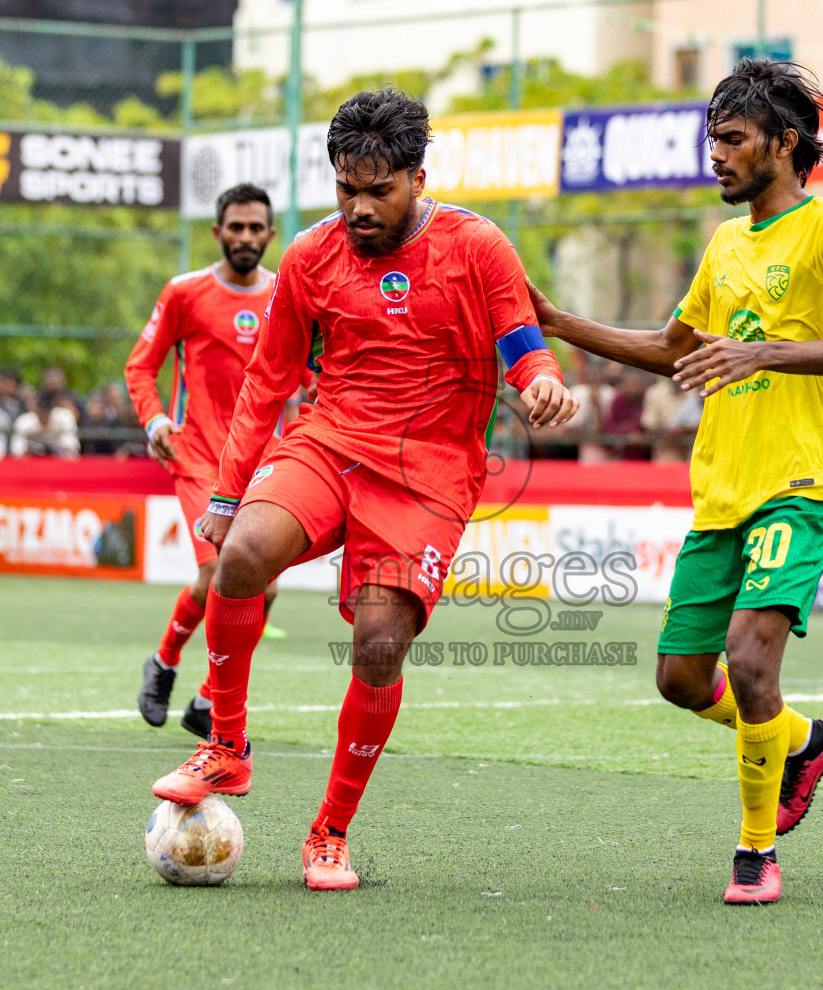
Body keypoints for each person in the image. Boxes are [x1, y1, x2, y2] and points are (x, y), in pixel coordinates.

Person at [150, 89, 575, 891]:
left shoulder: (478, 245)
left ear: (418, 176)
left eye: (379, 190)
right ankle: (226, 748)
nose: (359, 206)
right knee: (241, 555)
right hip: (331, 443)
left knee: (380, 645)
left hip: (430, 476)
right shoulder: (312, 254)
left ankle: (328, 834)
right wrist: (225, 491)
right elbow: (269, 378)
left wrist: (544, 381)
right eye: (347, 187)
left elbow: (524, 343)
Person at [528, 58, 823, 905]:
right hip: (721, 490)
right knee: (682, 680)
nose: (715, 156)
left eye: (731, 139)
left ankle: (756, 852)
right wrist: (556, 321)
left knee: (749, 658)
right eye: (712, 140)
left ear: (784, 143)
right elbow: (674, 349)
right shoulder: (727, 244)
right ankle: (803, 742)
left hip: (799, 483)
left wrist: (761, 351)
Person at [124, 182, 290, 738]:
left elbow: (313, 375)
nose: (245, 237)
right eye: (235, 228)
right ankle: (166, 660)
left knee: (264, 589)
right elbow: (140, 366)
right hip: (197, 454)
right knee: (215, 570)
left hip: (264, 460)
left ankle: (205, 699)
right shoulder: (184, 292)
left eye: (255, 228)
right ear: (218, 232)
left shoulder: (287, 296)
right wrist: (154, 421)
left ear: (270, 234)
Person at [9, 389, 79, 457]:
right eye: (40, 412)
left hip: (58, 461)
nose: (43, 416)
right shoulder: (24, 422)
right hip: (32, 462)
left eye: (46, 413)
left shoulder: (65, 417)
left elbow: (72, 447)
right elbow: (17, 452)